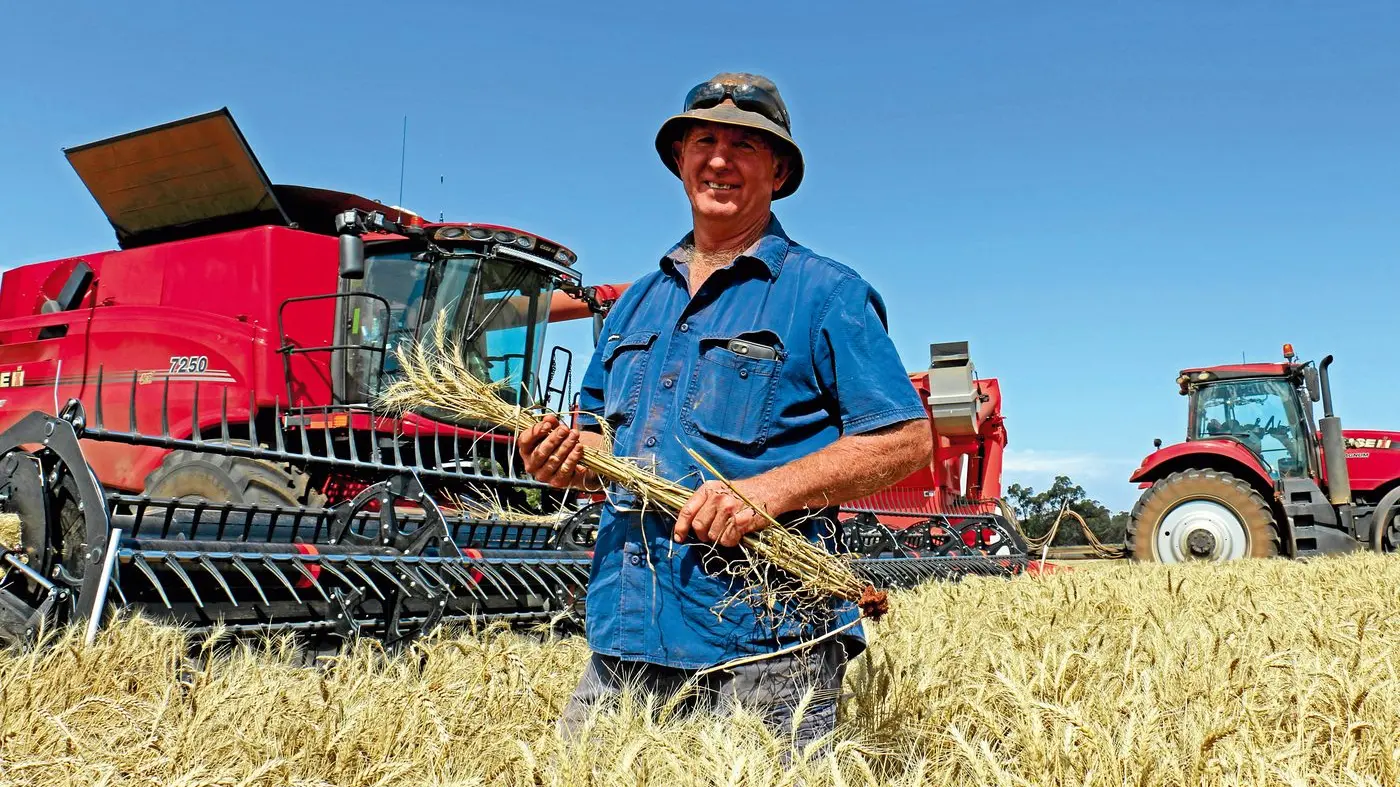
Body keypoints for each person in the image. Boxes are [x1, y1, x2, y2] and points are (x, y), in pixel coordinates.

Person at [517, 72, 933, 747]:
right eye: (703, 140)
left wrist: (761, 493)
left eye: (745, 145)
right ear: (679, 160)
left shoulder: (826, 293)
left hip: (765, 642)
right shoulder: (633, 306)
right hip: (626, 630)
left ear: (778, 170)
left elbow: (905, 438)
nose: (719, 159)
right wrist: (564, 460)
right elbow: (601, 441)